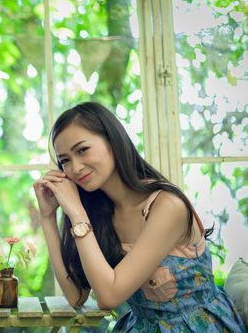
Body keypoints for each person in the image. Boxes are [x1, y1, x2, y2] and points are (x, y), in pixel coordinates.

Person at [33, 102, 246, 332]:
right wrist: (47, 217)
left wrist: (76, 213)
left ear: (113, 142)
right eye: (65, 160)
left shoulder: (167, 206)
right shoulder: (98, 213)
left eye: (83, 150)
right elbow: (76, 295)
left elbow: (108, 297)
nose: (74, 168)